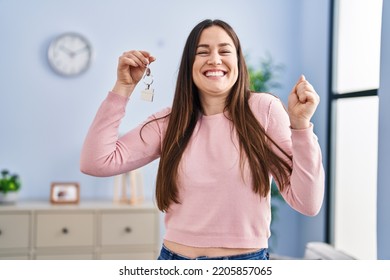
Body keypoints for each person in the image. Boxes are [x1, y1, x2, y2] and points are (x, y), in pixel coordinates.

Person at [80, 19, 324, 260]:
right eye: (202, 52)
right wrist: (123, 87)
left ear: (238, 62)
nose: (215, 59)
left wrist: (300, 127)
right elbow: (96, 162)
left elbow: (307, 203)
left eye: (225, 51)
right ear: (190, 65)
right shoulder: (170, 122)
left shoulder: (264, 110)